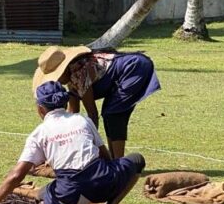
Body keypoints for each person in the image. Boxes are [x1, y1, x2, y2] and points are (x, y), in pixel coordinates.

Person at [0, 81, 145, 204]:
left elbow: (16, 175)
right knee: (137, 159)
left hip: (69, 193)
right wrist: (114, 179)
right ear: (65, 103)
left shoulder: (40, 133)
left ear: (40, 109)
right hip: (103, 182)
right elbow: (105, 155)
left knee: (42, 196)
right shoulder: (82, 120)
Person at [32, 45, 160, 160]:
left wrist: (88, 144)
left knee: (113, 114)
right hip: (126, 72)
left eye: (57, 76)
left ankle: (118, 163)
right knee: (109, 113)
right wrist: (63, 135)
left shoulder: (80, 73)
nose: (57, 80)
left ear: (64, 69)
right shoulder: (71, 78)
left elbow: (92, 114)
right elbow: (72, 111)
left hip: (135, 68)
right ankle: (113, 160)